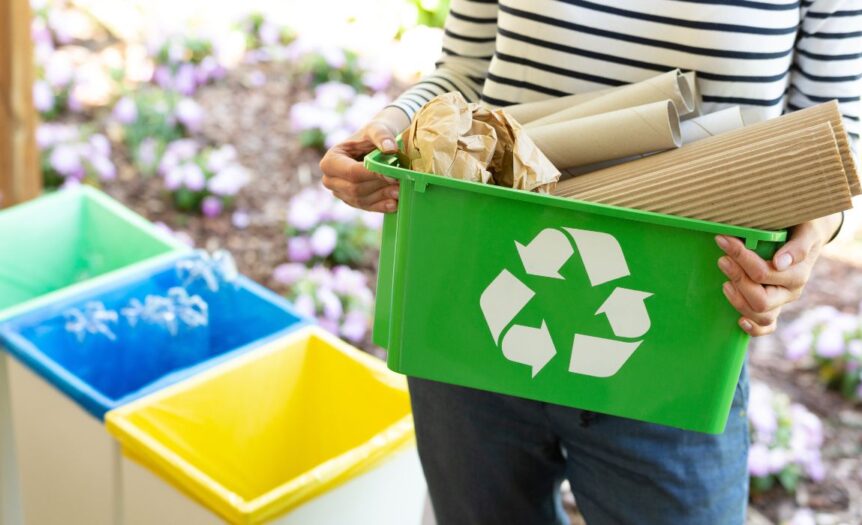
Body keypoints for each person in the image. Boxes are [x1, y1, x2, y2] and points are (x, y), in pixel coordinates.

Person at [320, 1, 861, 523]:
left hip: (680, 334)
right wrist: (386, 131)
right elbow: (465, 69)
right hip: (478, 301)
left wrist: (806, 242)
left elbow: (839, 137)